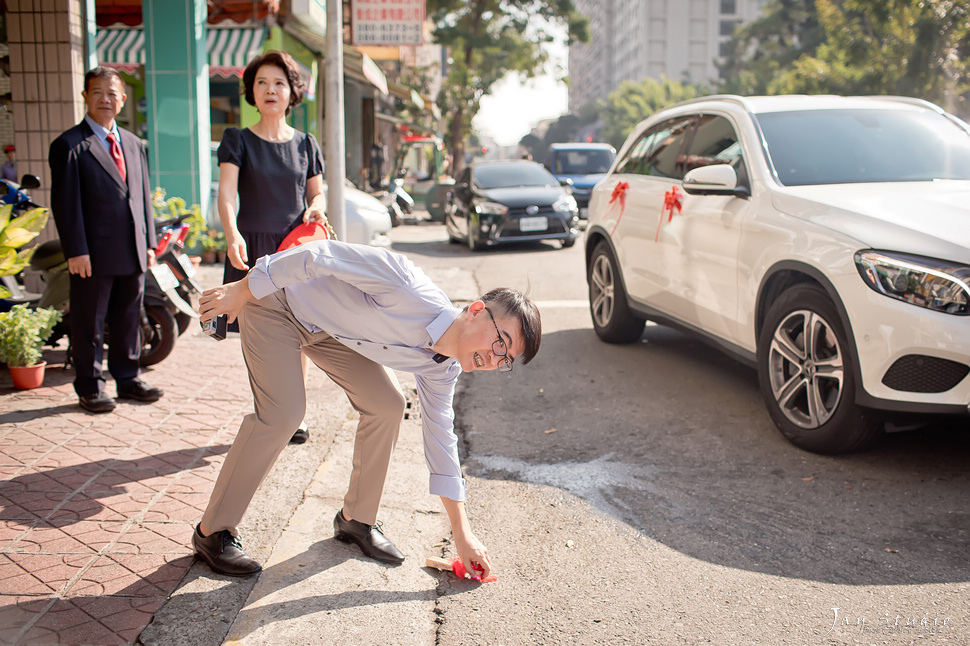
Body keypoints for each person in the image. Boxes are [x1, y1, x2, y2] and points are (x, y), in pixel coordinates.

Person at [192, 240, 541, 579]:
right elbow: (319, 254)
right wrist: (244, 289)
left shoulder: (444, 368)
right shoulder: (405, 284)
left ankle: (355, 520)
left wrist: (463, 535)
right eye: (501, 342)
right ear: (477, 310)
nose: (495, 359)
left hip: (329, 331)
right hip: (277, 305)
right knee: (284, 414)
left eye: (505, 360)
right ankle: (212, 532)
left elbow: (441, 441)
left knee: (387, 404)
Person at [217, 50, 326, 445]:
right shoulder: (238, 140)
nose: (270, 90)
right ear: (252, 91)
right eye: (261, 82)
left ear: (291, 91)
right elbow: (226, 193)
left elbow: (317, 194)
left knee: (300, 333)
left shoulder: (306, 144)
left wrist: (316, 208)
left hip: (294, 249)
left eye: (278, 82)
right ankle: (270, 410)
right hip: (253, 249)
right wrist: (232, 235)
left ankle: (295, 415)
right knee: (259, 339)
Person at [48, 66, 163, 414]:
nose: (105, 99)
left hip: (132, 248)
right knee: (90, 320)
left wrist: (149, 243)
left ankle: (128, 379)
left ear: (123, 99)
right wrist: (76, 250)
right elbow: (66, 206)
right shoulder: (69, 145)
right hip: (92, 254)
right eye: (97, 92)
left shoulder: (133, 143)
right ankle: (90, 386)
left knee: (130, 316)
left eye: (112, 93)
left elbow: (141, 196)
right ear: (85, 95)